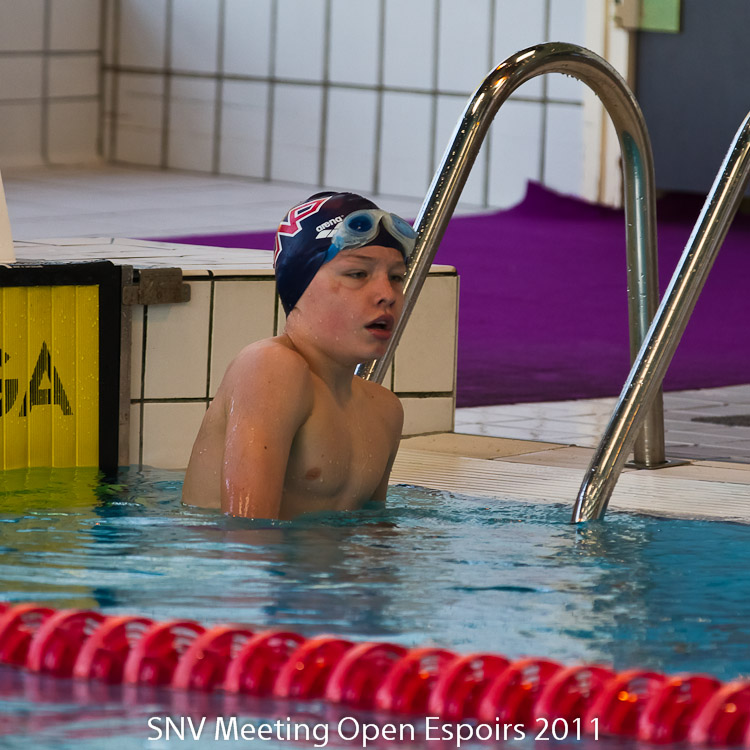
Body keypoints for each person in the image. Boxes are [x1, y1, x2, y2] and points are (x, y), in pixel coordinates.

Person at [182, 192, 415, 521]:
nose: (387, 294)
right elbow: (246, 534)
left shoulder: (385, 410)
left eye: (396, 277)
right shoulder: (269, 367)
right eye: (358, 274)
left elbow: (371, 539)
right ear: (299, 285)